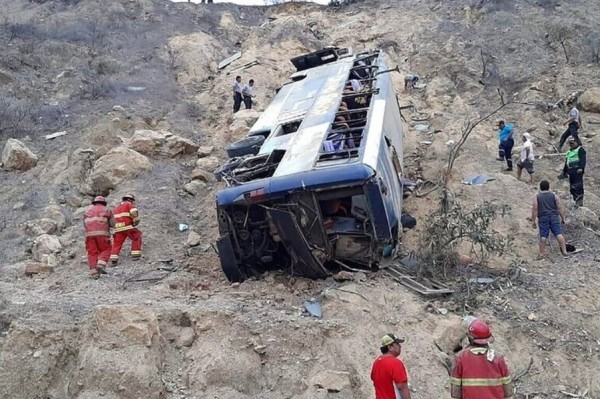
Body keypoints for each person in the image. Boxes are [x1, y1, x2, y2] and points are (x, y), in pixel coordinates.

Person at [450, 319, 513, 399]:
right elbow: (507, 389)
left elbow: (456, 391)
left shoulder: (460, 358)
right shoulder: (498, 358)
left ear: (470, 338)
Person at [532, 180, 568, 259]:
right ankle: (564, 251)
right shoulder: (554, 195)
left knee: (543, 235)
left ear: (540, 187)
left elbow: (535, 208)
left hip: (543, 217)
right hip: (554, 216)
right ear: (548, 187)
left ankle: (541, 254)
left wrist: (533, 220)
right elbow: (559, 207)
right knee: (558, 233)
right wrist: (563, 218)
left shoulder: (537, 196)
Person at [371, 333, 412, 399]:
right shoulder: (395, 363)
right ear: (390, 347)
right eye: (397, 344)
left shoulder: (376, 363)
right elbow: (402, 386)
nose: (400, 346)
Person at [83, 196, 115, 279]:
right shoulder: (106, 210)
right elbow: (113, 224)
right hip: (102, 234)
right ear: (103, 203)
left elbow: (84, 224)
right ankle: (101, 264)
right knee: (106, 249)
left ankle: (94, 272)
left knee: (92, 252)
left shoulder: (87, 211)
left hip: (89, 235)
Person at [110, 193, 142, 265]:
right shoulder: (129, 204)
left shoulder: (116, 208)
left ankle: (113, 259)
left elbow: (112, 220)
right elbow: (134, 213)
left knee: (117, 244)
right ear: (129, 199)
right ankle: (135, 255)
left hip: (118, 229)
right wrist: (136, 222)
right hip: (128, 227)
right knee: (136, 236)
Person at [560, 137, 586, 206]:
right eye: (570, 143)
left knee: (578, 186)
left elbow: (583, 159)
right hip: (571, 171)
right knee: (572, 187)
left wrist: (581, 168)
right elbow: (567, 162)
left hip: (577, 170)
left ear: (576, 142)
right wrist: (564, 172)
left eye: (573, 143)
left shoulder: (580, 149)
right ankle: (575, 200)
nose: (571, 144)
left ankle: (579, 201)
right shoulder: (569, 152)